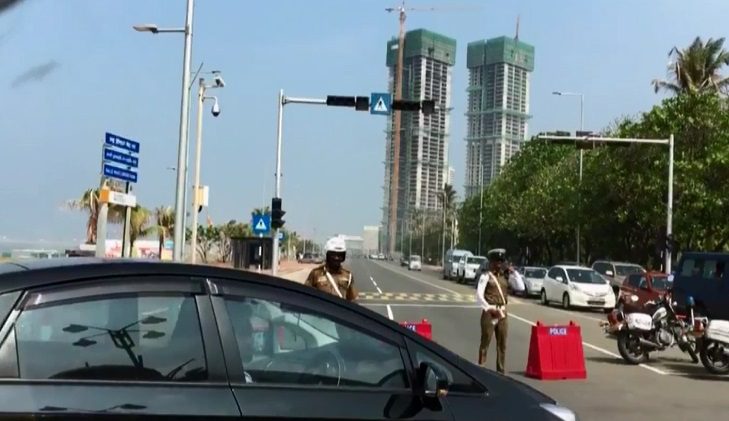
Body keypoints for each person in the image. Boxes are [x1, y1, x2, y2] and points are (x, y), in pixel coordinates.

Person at [476, 248, 509, 374]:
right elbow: (479, 296)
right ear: (491, 262)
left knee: (502, 344)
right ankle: (481, 369)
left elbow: (521, 287)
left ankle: (500, 372)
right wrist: (488, 308)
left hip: (502, 312)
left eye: (501, 261)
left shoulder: (505, 277)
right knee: (485, 342)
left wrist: (514, 272)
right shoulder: (486, 276)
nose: (499, 264)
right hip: (490, 311)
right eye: (496, 261)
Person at [304, 236, 357, 301]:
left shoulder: (348, 275)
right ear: (327, 255)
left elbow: (352, 300)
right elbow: (305, 296)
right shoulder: (316, 273)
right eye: (333, 255)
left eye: (340, 255)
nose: (337, 258)